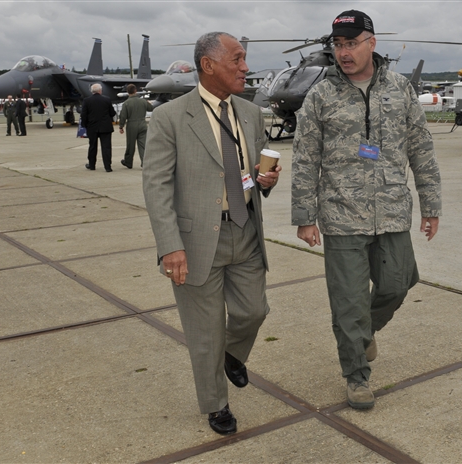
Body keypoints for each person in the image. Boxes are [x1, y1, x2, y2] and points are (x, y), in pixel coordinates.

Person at [291, 10, 442, 410]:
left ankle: (364, 333)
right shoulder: (320, 96)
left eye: (351, 43)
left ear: (371, 43)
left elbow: (421, 148)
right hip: (341, 214)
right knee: (349, 303)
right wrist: (305, 217)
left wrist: (431, 204)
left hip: (391, 208)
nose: (343, 52)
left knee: (399, 282)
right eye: (338, 45)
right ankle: (356, 375)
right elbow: (305, 159)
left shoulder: (400, 89)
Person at [142, 31, 281, 435]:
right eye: (237, 59)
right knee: (205, 331)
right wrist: (170, 246)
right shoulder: (171, 117)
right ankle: (216, 404)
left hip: (245, 229)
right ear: (209, 65)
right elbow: (156, 185)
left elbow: (251, 174)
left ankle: (232, 357)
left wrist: (265, 181)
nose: (245, 67)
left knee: (254, 311)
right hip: (195, 240)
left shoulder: (251, 113)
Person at [81, 83, 116, 172]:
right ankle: (107, 167)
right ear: (100, 91)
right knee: (106, 147)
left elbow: (83, 115)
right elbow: (112, 113)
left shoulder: (87, 101)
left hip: (92, 127)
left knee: (92, 146)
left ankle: (92, 165)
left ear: (92, 91)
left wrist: (84, 125)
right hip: (105, 127)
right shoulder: (107, 99)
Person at [118, 84, 153, 169]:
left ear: (127, 92)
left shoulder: (126, 103)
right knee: (143, 145)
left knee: (130, 145)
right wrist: (148, 102)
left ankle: (128, 162)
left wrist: (121, 126)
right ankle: (145, 163)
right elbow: (151, 108)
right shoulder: (143, 101)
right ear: (135, 91)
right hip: (142, 123)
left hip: (131, 124)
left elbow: (123, 116)